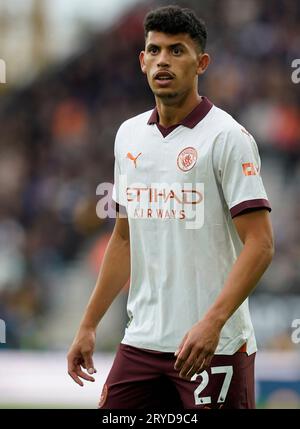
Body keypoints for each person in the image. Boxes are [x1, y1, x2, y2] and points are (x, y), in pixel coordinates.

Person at [67, 5, 274, 409]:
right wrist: (88, 324)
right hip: (141, 342)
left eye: (177, 51)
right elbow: (125, 238)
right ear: (142, 61)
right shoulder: (128, 136)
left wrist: (213, 322)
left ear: (202, 63)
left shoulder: (228, 138)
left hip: (213, 347)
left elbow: (261, 244)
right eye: (155, 50)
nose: (164, 60)